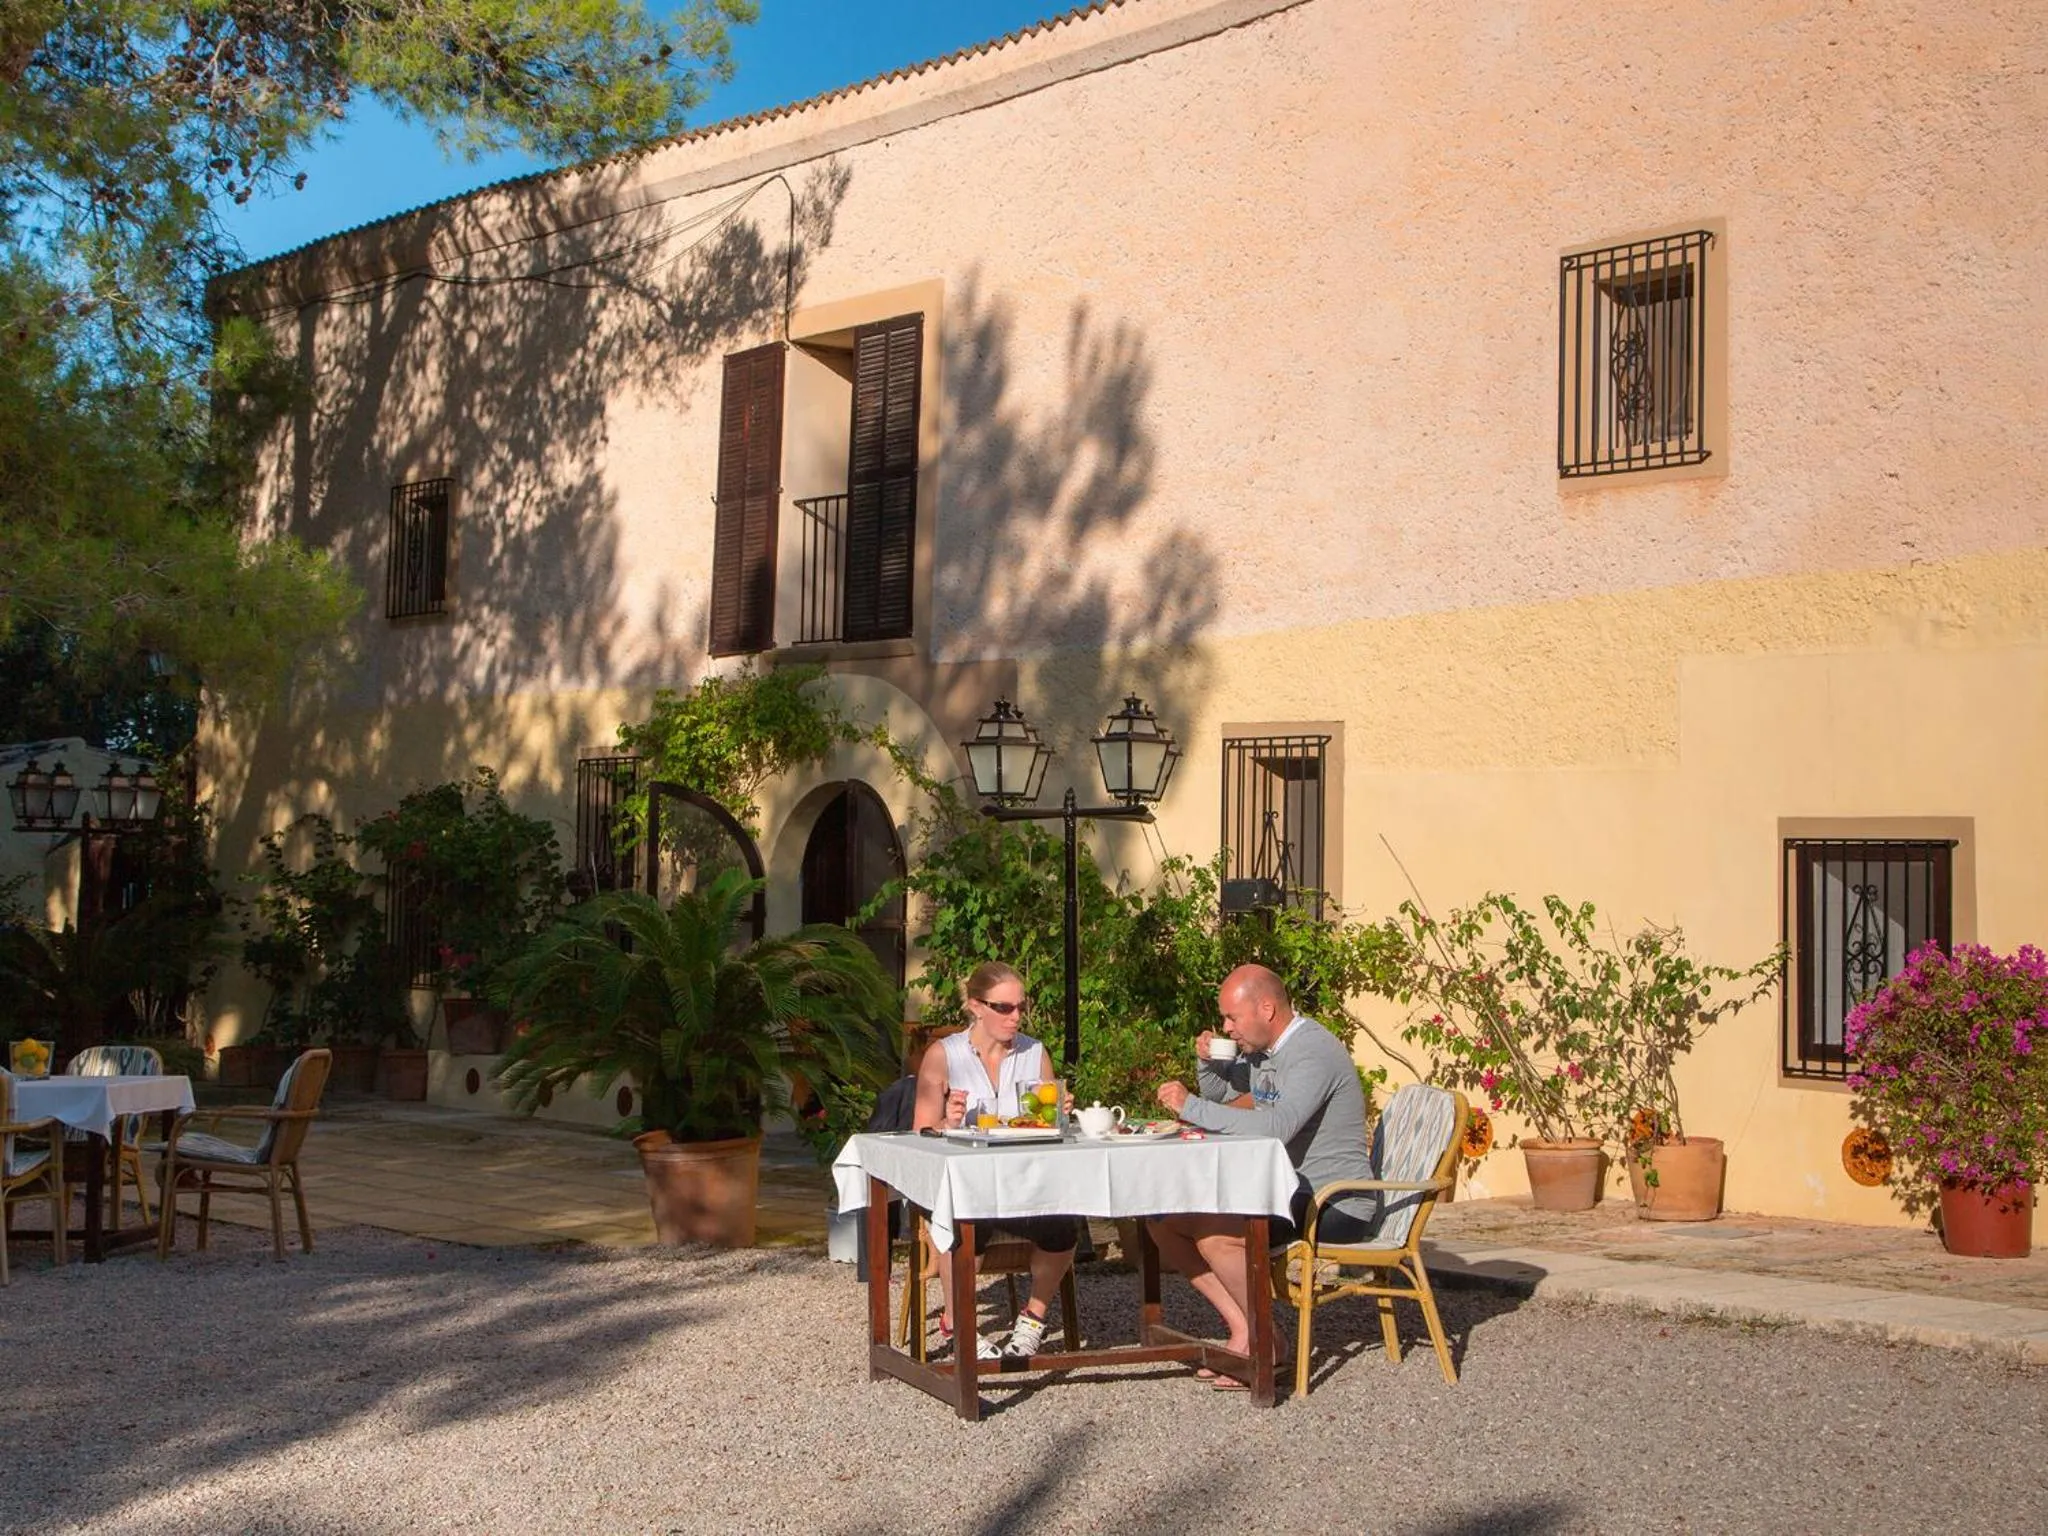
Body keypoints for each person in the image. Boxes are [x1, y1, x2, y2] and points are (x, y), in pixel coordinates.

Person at [1147, 963, 1375, 1387]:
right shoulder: (1265, 1054)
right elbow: (1227, 1094)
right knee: (1163, 1221)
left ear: (1267, 1008)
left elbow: (1275, 1126)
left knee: (1216, 1233)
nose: (1227, 1027)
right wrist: (1206, 1063)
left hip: (1334, 1199)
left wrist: (1189, 1107)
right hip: (1285, 1189)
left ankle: (1262, 1344)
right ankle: (1252, 1330)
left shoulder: (1311, 1052)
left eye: (1232, 1018)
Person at [910, 961, 1079, 1359]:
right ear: (976, 1006)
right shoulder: (944, 1054)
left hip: (1023, 1181)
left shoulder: (1034, 1052)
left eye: (1021, 1006)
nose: (1016, 1016)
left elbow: (1046, 1126)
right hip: (968, 1185)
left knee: (1066, 1228)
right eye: (1004, 1008)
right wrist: (946, 1119)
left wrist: (1060, 1113)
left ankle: (1032, 1320)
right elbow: (919, 1132)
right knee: (961, 1226)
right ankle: (957, 1324)